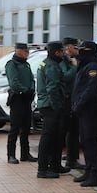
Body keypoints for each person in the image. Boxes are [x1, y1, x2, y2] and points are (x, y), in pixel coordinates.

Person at [71, 41, 97, 187]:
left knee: (91, 141)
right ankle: (89, 169)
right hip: (83, 109)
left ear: (88, 51)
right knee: (85, 141)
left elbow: (91, 90)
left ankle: (95, 175)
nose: (79, 53)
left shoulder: (94, 67)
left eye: (82, 50)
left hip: (90, 109)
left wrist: (79, 104)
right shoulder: (85, 65)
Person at [36, 41, 66, 178]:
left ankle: (55, 166)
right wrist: (57, 106)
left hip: (46, 104)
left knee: (54, 137)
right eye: (62, 51)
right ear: (57, 52)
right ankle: (43, 169)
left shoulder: (45, 62)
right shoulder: (52, 66)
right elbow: (52, 88)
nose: (64, 53)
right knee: (48, 137)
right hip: (50, 106)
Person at [5, 43, 37, 164]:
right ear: (19, 51)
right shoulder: (12, 65)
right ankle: (11, 155)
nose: (28, 54)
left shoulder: (26, 65)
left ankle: (25, 154)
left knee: (26, 127)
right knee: (15, 128)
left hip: (26, 99)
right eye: (26, 51)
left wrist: (31, 89)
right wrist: (24, 90)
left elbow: (31, 80)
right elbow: (14, 82)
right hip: (17, 99)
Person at [58, 37, 84, 169]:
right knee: (67, 130)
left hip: (75, 98)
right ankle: (69, 159)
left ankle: (73, 158)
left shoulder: (76, 60)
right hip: (67, 99)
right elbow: (65, 77)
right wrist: (74, 67)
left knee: (74, 131)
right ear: (69, 48)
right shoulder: (64, 61)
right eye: (76, 47)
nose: (78, 50)